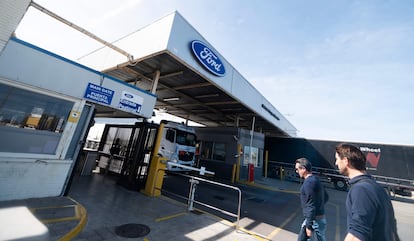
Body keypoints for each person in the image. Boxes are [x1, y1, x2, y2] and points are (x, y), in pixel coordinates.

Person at [335, 143, 400, 241]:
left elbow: (357, 234)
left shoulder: (361, 190)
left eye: (337, 159)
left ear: (345, 161)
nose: (336, 163)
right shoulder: (377, 187)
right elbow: (392, 228)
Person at [295, 157, 327, 241]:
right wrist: (319, 206)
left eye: (297, 169)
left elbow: (310, 205)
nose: (296, 171)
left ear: (304, 169)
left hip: (314, 221)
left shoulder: (309, 183)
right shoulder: (315, 179)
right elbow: (326, 196)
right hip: (315, 219)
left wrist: (309, 226)